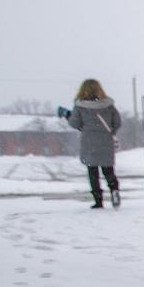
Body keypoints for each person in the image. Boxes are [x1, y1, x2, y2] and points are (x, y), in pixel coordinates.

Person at [59, 79, 121, 209]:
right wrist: (109, 132)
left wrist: (67, 114)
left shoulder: (80, 106)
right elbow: (117, 122)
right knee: (108, 170)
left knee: (93, 172)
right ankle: (114, 191)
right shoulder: (108, 105)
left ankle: (98, 200)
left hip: (89, 142)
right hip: (105, 141)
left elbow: (74, 123)